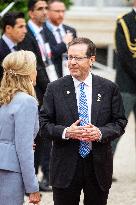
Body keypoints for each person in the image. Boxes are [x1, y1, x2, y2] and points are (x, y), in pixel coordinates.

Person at [40, 37, 127, 205]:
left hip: (98, 166)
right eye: (69, 57)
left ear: (92, 60)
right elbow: (43, 124)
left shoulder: (109, 88)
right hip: (65, 166)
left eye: (77, 58)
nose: (71, 62)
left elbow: (119, 122)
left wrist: (101, 132)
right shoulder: (55, 88)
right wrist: (66, 132)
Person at [19, 0, 52, 192]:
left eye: (46, 8)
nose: (45, 12)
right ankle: (28, 179)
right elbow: (34, 66)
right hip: (35, 90)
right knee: (34, 136)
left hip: (45, 87)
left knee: (42, 137)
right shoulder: (26, 34)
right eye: (40, 9)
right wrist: (50, 87)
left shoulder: (45, 32)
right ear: (31, 13)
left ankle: (37, 177)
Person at [0, 50, 41, 205]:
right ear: (27, 73)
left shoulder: (3, 99)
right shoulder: (27, 102)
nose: (36, 72)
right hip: (10, 170)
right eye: (34, 67)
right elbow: (24, 149)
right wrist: (33, 187)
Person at [112, 0, 136, 156]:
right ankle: (103, 169)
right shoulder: (124, 22)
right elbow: (125, 56)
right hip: (127, 85)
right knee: (116, 129)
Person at [44, 0, 77, 77]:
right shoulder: (42, 31)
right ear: (48, 12)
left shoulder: (71, 31)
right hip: (51, 76)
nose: (61, 14)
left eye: (63, 11)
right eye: (57, 11)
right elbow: (49, 55)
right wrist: (64, 44)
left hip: (70, 76)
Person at [0, 12, 27, 83]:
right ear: (8, 28)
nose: (25, 31)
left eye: (25, 26)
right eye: (20, 27)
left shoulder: (23, 45)